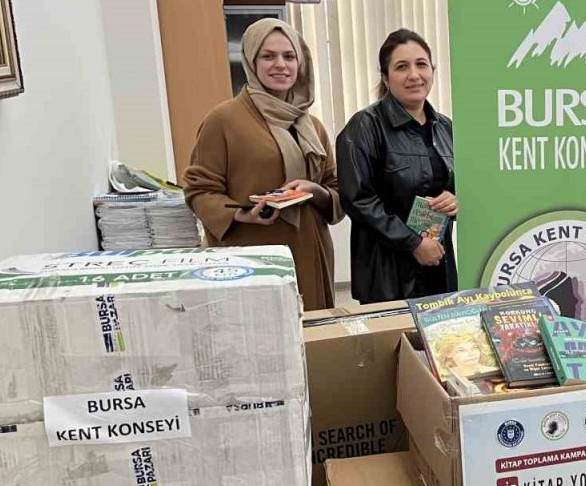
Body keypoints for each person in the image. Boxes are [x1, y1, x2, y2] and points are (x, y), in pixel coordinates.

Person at [184, 19, 344, 310]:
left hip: (308, 251)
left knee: (313, 340)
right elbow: (199, 191)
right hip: (253, 256)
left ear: (301, 62)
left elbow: (334, 188)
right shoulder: (224, 120)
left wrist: (315, 190)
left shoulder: (312, 126)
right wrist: (241, 214)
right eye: (268, 56)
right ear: (251, 61)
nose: (280, 65)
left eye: (289, 56)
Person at [337, 29, 458, 303]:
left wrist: (454, 200)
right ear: (385, 77)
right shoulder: (364, 127)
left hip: (438, 265)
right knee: (395, 345)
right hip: (386, 274)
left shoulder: (445, 127)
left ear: (432, 71)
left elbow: (457, 185)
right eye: (402, 67)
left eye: (421, 64)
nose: (414, 75)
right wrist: (413, 243)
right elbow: (358, 200)